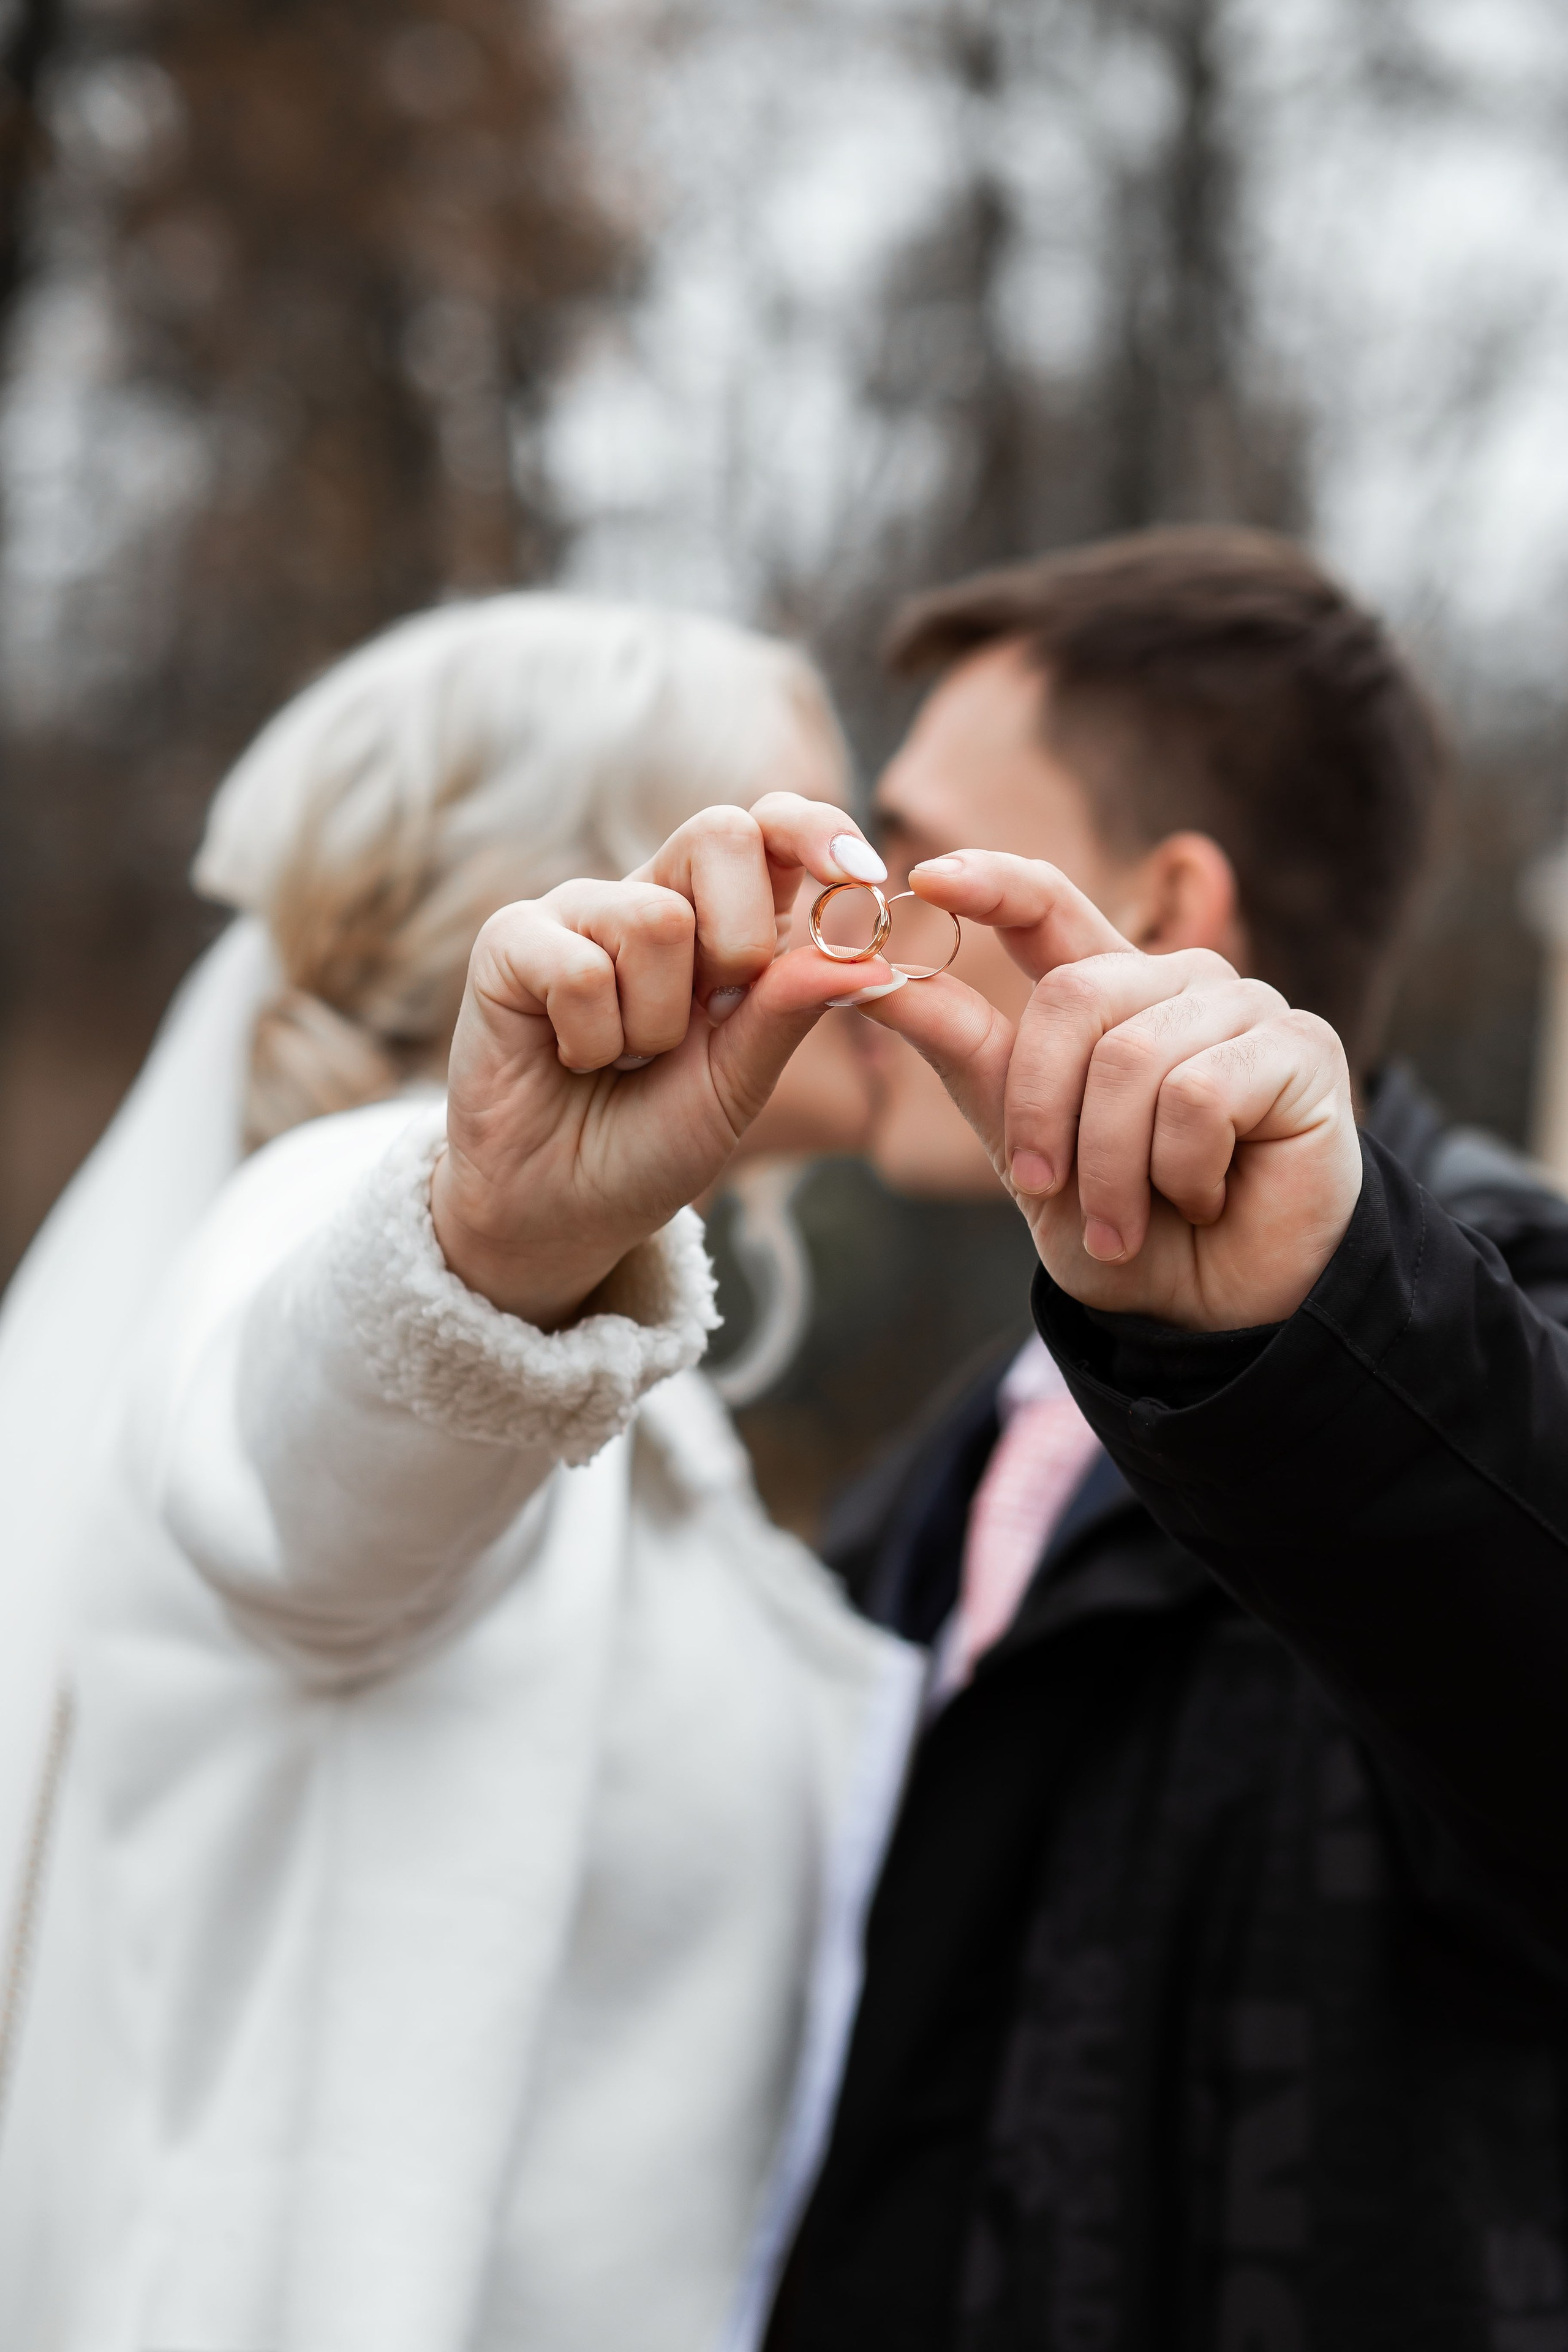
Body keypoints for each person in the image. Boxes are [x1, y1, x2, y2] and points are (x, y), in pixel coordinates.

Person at [0, 594, 924, 2352]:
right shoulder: (341, 1230)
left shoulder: (643, 1375)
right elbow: (308, 1500)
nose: (875, 909)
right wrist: (488, 1248)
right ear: (594, 897)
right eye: (803, 848)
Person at [766, 530, 1568, 2350]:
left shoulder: (1493, 1335)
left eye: (915, 842)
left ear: (1172, 903)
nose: (865, 904)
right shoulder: (979, 1433)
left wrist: (1317, 1332)